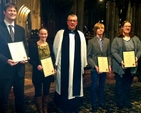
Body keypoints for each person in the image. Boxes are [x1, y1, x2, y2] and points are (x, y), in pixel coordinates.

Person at [53, 14, 87, 113]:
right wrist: (57, 62)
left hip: (76, 65)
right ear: (67, 22)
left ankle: (75, 105)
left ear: (77, 23)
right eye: (70, 20)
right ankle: (63, 104)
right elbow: (56, 48)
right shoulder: (61, 33)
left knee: (75, 85)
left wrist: (83, 63)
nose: (72, 22)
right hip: (64, 65)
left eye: (74, 21)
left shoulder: (80, 34)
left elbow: (84, 50)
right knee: (63, 84)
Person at [0, 3, 28, 113]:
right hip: (4, 69)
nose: (13, 12)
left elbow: (24, 46)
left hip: (19, 70)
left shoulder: (21, 29)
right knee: (3, 100)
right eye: (10, 10)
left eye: (14, 11)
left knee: (20, 99)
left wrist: (24, 57)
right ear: (4, 12)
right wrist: (6, 60)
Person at [111, 20, 141, 110]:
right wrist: (121, 61)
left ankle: (127, 101)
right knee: (119, 85)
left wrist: (137, 57)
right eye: (126, 26)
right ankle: (120, 102)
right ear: (122, 28)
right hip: (120, 66)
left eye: (129, 26)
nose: (128, 28)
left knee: (127, 85)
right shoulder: (116, 39)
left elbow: (139, 50)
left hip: (131, 66)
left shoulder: (135, 39)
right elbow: (113, 51)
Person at [28, 27, 55, 113]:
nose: (43, 35)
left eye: (45, 34)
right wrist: (37, 65)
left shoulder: (50, 45)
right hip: (38, 71)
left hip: (48, 71)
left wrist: (53, 67)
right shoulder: (33, 45)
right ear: (39, 34)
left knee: (47, 90)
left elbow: (53, 58)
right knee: (38, 90)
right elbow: (30, 59)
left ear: (47, 35)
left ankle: (45, 108)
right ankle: (40, 110)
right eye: (42, 34)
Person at [87, 22, 111, 112]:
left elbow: (109, 54)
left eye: (102, 28)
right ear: (95, 30)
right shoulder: (91, 41)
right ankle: (94, 104)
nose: (101, 30)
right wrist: (95, 66)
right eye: (99, 28)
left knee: (102, 86)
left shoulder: (107, 41)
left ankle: (101, 102)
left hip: (104, 67)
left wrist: (109, 64)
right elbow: (88, 56)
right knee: (94, 86)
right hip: (95, 68)